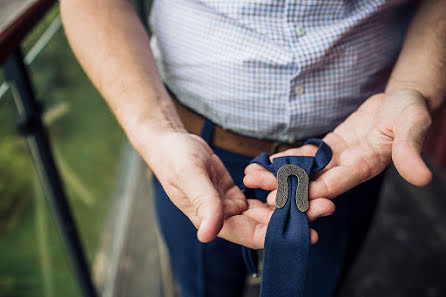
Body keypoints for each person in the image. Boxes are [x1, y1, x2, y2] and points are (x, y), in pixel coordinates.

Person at [61, 0, 446, 296]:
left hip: (352, 159)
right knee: (201, 286)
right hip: (192, 152)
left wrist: (413, 86)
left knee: (320, 286)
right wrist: (154, 131)